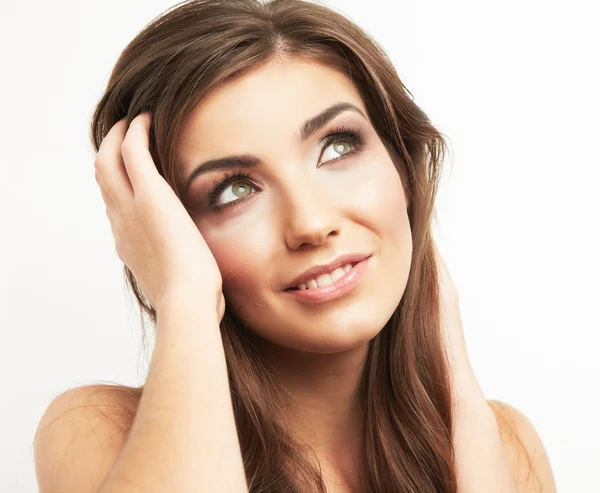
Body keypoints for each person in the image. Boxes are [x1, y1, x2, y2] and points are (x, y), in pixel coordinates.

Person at [32, 0, 556, 492]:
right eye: (235, 189)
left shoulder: (506, 445)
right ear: (169, 231)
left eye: (337, 146)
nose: (310, 222)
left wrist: (459, 394)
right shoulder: (99, 431)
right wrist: (184, 298)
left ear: (404, 167)